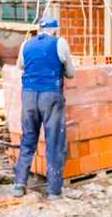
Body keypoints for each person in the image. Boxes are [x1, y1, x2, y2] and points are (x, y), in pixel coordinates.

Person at [11, 17, 75, 200]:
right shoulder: (60, 43)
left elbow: (21, 66)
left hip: (29, 95)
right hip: (50, 95)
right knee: (54, 141)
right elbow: (70, 73)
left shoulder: (26, 45)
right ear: (54, 30)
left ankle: (19, 184)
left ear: (39, 30)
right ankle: (53, 191)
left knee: (28, 138)